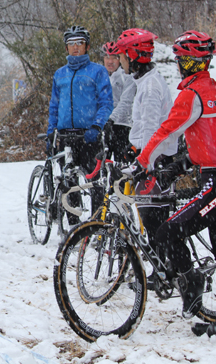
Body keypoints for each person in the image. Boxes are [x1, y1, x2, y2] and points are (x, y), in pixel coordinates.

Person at [132, 30, 216, 343]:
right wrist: (177, 167)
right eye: (183, 58)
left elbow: (166, 130)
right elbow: (211, 142)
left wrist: (141, 162)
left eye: (190, 59)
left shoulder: (191, 94)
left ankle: (192, 282)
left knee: (168, 232)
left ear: (202, 61)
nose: (185, 64)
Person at [116, 28, 177, 263]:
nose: (120, 61)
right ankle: (161, 269)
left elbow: (153, 129)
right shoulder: (144, 81)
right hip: (149, 156)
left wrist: (145, 162)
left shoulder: (150, 87)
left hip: (155, 160)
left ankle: (165, 269)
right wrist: (134, 147)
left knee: (154, 220)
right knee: (150, 218)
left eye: (122, 56)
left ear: (132, 56)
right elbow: (143, 127)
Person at [47, 25, 113, 221]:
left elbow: (106, 102)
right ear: (66, 48)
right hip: (66, 135)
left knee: (94, 182)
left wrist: (97, 125)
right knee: (68, 182)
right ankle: (74, 225)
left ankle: (96, 224)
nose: (75, 48)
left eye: (80, 43)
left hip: (89, 134)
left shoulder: (98, 72)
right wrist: (52, 131)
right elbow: (54, 106)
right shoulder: (60, 74)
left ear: (87, 46)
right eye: (71, 44)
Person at [101, 42, 135, 163]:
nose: (110, 61)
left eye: (114, 57)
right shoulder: (100, 77)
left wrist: (111, 119)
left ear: (120, 59)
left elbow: (126, 102)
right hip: (103, 127)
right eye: (107, 57)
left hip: (122, 126)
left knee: (122, 165)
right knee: (101, 165)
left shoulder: (126, 76)